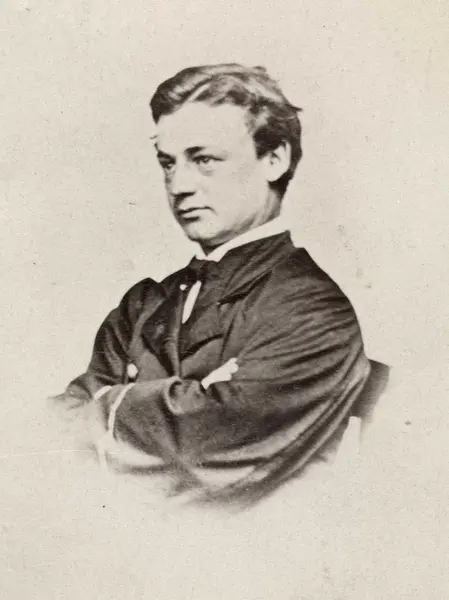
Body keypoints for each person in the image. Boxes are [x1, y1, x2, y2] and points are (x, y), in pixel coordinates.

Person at [55, 63, 372, 506]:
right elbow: (52, 436)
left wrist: (107, 406)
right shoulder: (143, 304)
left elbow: (199, 453)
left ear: (275, 159)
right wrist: (177, 403)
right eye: (168, 163)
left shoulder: (314, 311)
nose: (179, 185)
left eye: (204, 160)